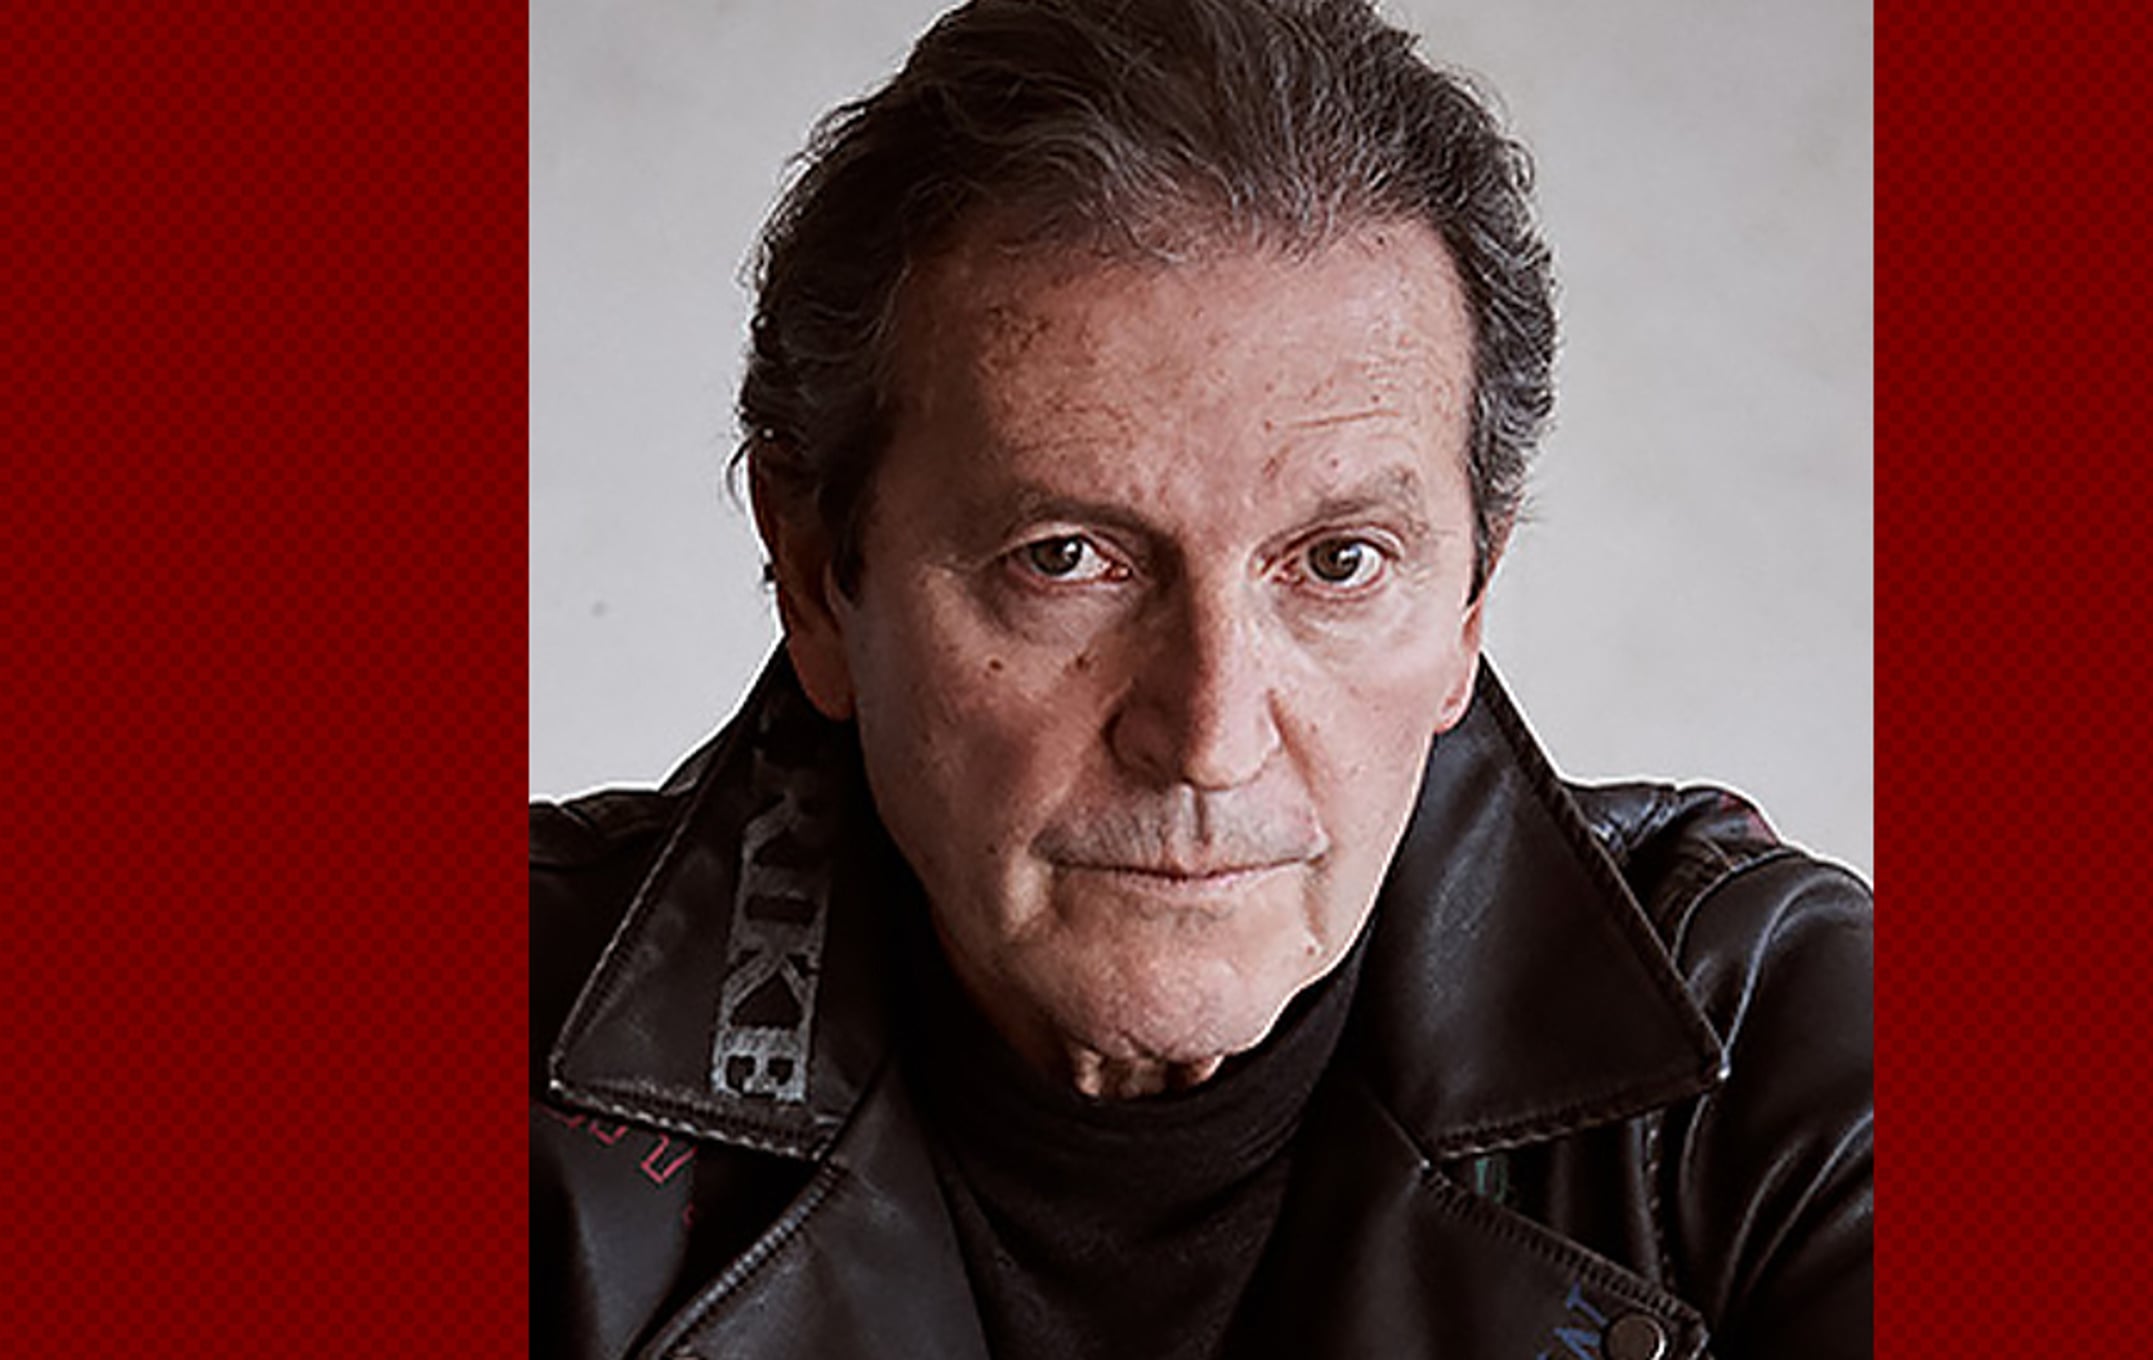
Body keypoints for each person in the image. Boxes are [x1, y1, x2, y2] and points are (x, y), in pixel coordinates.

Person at [531, 0, 1872, 1356]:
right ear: (821, 574)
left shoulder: (1775, 1045)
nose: (1212, 739)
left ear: (1471, 600)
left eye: (1338, 562)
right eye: (1067, 559)